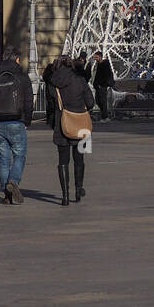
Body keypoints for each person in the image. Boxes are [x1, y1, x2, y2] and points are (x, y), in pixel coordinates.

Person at [0, 47, 35, 204]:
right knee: (19, 155)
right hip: (17, 121)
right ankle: (13, 181)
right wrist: (27, 121)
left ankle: (7, 195)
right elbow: (28, 102)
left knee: (4, 160)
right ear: (16, 60)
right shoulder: (22, 77)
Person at [47, 57, 91, 206]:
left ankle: (65, 196)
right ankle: (78, 190)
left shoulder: (53, 83)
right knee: (80, 159)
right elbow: (91, 103)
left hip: (62, 125)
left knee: (63, 161)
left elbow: (50, 106)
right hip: (82, 127)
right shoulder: (80, 80)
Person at [91, 51, 114, 122]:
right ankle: (104, 115)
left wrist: (102, 84)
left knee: (103, 101)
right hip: (98, 85)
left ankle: (105, 117)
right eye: (95, 57)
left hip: (102, 86)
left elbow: (106, 75)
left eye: (96, 57)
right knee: (98, 100)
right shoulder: (99, 64)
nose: (95, 59)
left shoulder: (105, 64)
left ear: (100, 57)